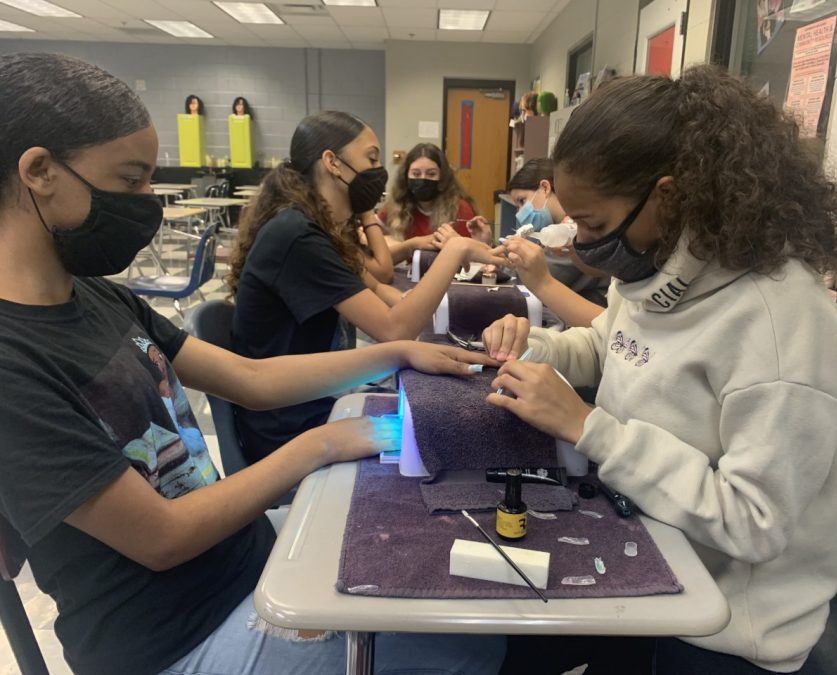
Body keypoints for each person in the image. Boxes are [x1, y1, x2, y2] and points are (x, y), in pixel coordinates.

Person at [0, 52, 505, 675]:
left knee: (438, 545)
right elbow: (161, 537)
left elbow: (252, 378)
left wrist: (399, 350)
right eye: (130, 179)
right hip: (173, 639)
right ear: (40, 171)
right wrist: (319, 444)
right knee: (463, 640)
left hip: (237, 559)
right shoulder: (11, 362)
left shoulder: (102, 298)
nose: (145, 200)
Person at [483, 66, 837, 673]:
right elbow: (608, 348)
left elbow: (753, 522)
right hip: (646, 564)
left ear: (669, 195)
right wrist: (534, 351)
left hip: (726, 635)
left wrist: (590, 428)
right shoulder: (659, 272)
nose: (581, 243)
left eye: (596, 226)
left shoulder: (782, 325)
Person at [227, 112, 505, 461]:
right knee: (444, 440)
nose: (378, 171)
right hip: (292, 426)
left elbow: (381, 290)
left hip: (313, 402)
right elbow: (395, 329)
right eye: (372, 158)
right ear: (332, 163)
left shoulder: (316, 228)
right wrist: (457, 249)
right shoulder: (297, 236)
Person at [503, 158, 608, 324]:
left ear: (545, 188)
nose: (519, 213)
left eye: (522, 201)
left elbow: (529, 279)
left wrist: (497, 258)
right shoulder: (557, 232)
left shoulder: (572, 234)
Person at [378, 142, 492, 266]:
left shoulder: (459, 209)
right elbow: (366, 237)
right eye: (416, 174)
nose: (423, 179)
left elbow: (472, 262)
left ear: (442, 177)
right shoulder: (396, 205)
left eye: (431, 174)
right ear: (406, 177)